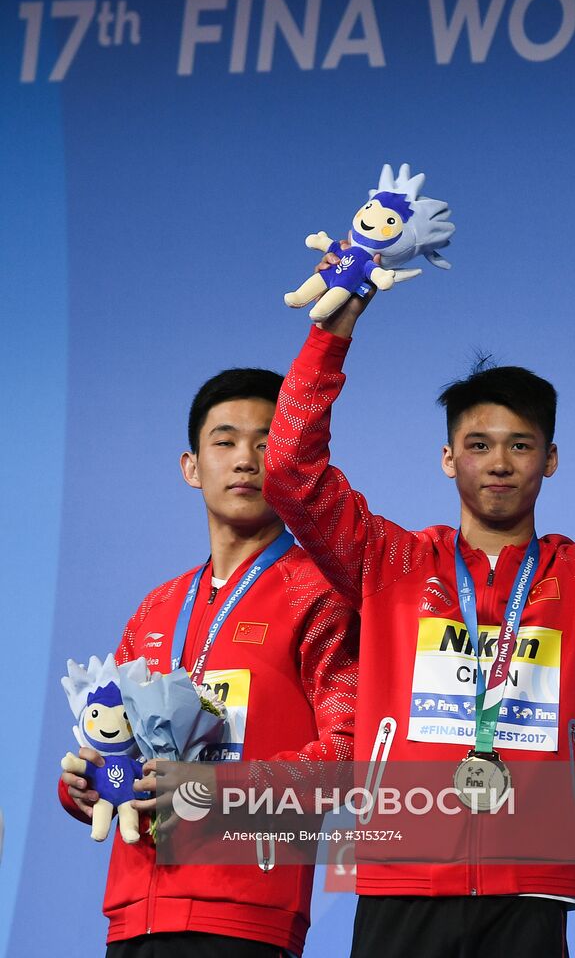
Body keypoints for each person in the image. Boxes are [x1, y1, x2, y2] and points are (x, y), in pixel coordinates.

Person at [262, 256, 575, 958]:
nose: (498, 463)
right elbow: (289, 470)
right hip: (402, 875)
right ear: (446, 458)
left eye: (519, 445)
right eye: (478, 445)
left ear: (549, 459)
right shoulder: (389, 565)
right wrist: (332, 332)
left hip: (531, 885)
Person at [60, 367, 359, 958]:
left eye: (268, 442)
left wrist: (211, 790)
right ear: (191, 467)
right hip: (132, 921)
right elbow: (114, 742)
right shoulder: (157, 607)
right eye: (224, 441)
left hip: (245, 921)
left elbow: (346, 757)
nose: (246, 460)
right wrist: (86, 785)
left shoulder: (320, 595)